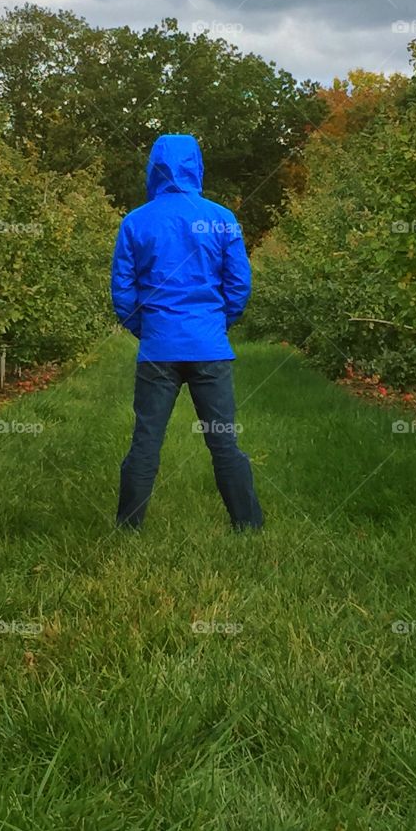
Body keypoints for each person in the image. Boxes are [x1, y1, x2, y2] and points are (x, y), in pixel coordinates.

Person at [110, 133, 265, 532]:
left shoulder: (135, 221)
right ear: (196, 166)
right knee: (223, 440)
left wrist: (148, 329)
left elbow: (123, 292)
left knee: (146, 439)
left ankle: (128, 527)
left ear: (154, 167)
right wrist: (217, 324)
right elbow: (239, 284)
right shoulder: (221, 218)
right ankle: (248, 525)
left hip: (158, 348)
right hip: (208, 346)